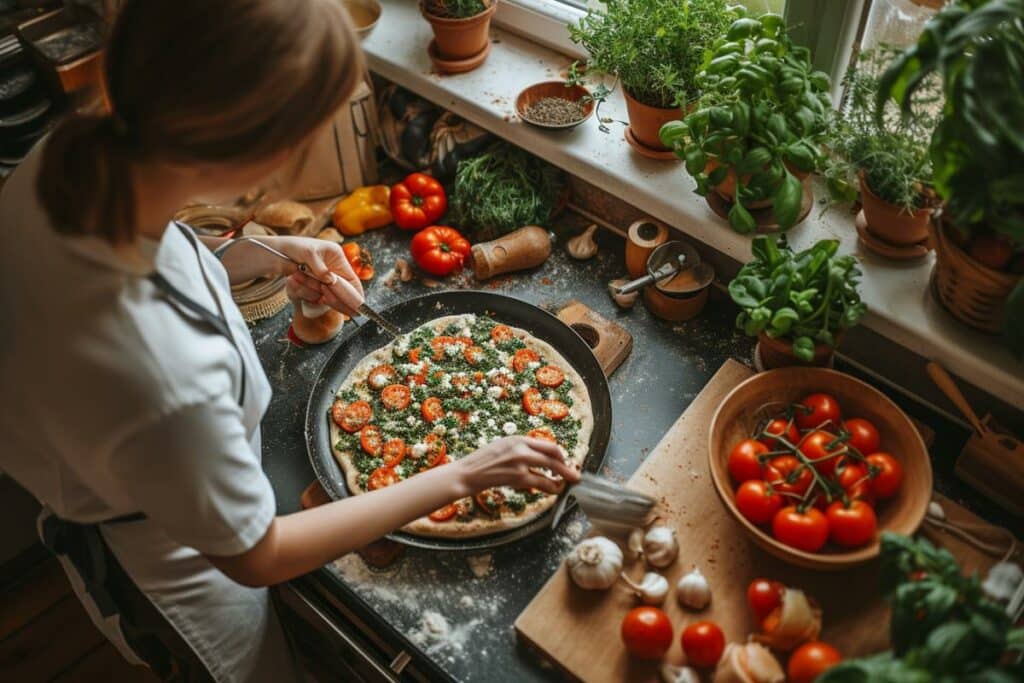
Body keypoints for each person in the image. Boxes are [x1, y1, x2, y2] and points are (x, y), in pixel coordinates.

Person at [0, 1, 579, 681]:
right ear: (244, 151)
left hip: (163, 475)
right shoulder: (162, 369)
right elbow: (256, 555)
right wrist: (462, 472)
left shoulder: (82, 150)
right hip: (179, 564)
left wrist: (270, 251)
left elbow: (158, 254)